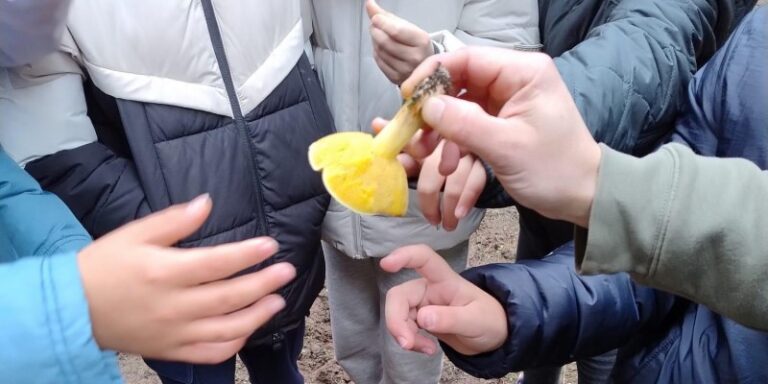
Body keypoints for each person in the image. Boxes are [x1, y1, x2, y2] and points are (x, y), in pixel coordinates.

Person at [382, 6, 768, 382]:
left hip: (587, 192)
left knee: (597, 360)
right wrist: (512, 309)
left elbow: (647, 45)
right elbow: (669, 252)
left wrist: (582, 173)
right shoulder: (753, 44)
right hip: (561, 221)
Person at [0, 1, 334, 383]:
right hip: (175, 272)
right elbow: (53, 141)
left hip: (288, 237)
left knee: (281, 360)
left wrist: (303, 198)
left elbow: (306, 50)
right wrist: (163, 235)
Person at [307, 0, 538, 382]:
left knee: (411, 349)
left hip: (423, 200)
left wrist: (436, 63)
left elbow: (511, 45)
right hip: (341, 186)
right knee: (354, 342)